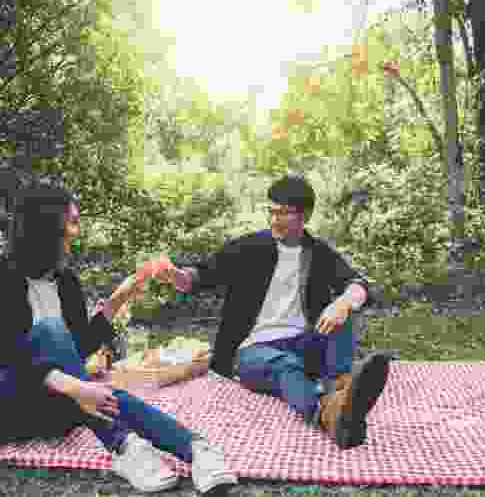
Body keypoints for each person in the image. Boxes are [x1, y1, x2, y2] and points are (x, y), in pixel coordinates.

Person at [0, 184, 237, 495]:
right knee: (51, 331)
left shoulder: (66, 282)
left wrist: (121, 297)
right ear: (47, 225)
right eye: (73, 221)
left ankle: (198, 451)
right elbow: (6, 355)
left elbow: (78, 347)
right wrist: (76, 387)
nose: (77, 231)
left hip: (59, 406)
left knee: (99, 387)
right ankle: (123, 445)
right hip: (6, 405)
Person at [151, 175, 391, 449]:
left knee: (346, 312)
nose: (275, 219)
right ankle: (327, 413)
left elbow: (359, 284)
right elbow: (202, 275)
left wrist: (344, 302)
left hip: (304, 343)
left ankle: (341, 389)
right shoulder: (248, 247)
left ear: (305, 215)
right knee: (285, 366)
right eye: (272, 211)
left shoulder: (319, 253)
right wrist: (176, 276)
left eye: (285, 213)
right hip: (252, 351)